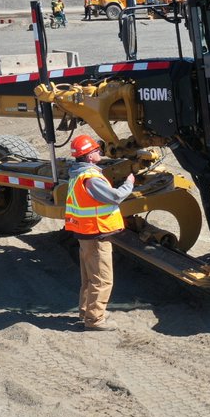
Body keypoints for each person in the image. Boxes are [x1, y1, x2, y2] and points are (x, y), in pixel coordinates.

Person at [64, 134, 136, 331]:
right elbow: (115, 197)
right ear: (88, 157)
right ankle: (95, 320)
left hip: (85, 234)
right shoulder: (91, 179)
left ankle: (87, 311)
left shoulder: (77, 175)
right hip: (96, 235)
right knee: (103, 280)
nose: (100, 152)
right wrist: (129, 183)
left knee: (89, 278)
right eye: (96, 150)